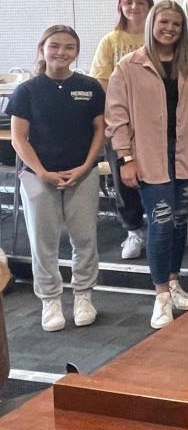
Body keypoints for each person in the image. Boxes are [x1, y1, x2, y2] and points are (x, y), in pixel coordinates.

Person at [106, 1, 188, 329]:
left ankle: (175, 282)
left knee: (180, 222)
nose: (169, 29)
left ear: (184, 29)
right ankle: (161, 295)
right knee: (161, 222)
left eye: (177, 24)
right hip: (149, 159)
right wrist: (125, 159)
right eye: (164, 22)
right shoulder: (128, 66)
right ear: (152, 23)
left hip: (185, 158)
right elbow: (116, 117)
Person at [6, 26, 105, 331]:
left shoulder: (90, 87)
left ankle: (83, 295)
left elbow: (100, 130)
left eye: (69, 47)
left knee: (85, 238)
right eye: (55, 46)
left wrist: (86, 166)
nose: (61, 52)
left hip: (82, 173)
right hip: (38, 176)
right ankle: (50, 299)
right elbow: (18, 138)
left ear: (76, 52)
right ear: (43, 49)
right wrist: (43, 172)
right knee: (43, 242)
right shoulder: (27, 90)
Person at [89, 0, 154, 260]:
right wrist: (118, 114)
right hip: (120, 122)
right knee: (123, 179)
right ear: (121, 7)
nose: (135, 7)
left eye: (141, 2)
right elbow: (102, 81)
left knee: (156, 178)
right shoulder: (111, 41)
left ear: (149, 6)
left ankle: (159, 229)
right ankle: (134, 231)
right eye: (129, 2)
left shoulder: (157, 38)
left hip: (153, 122)